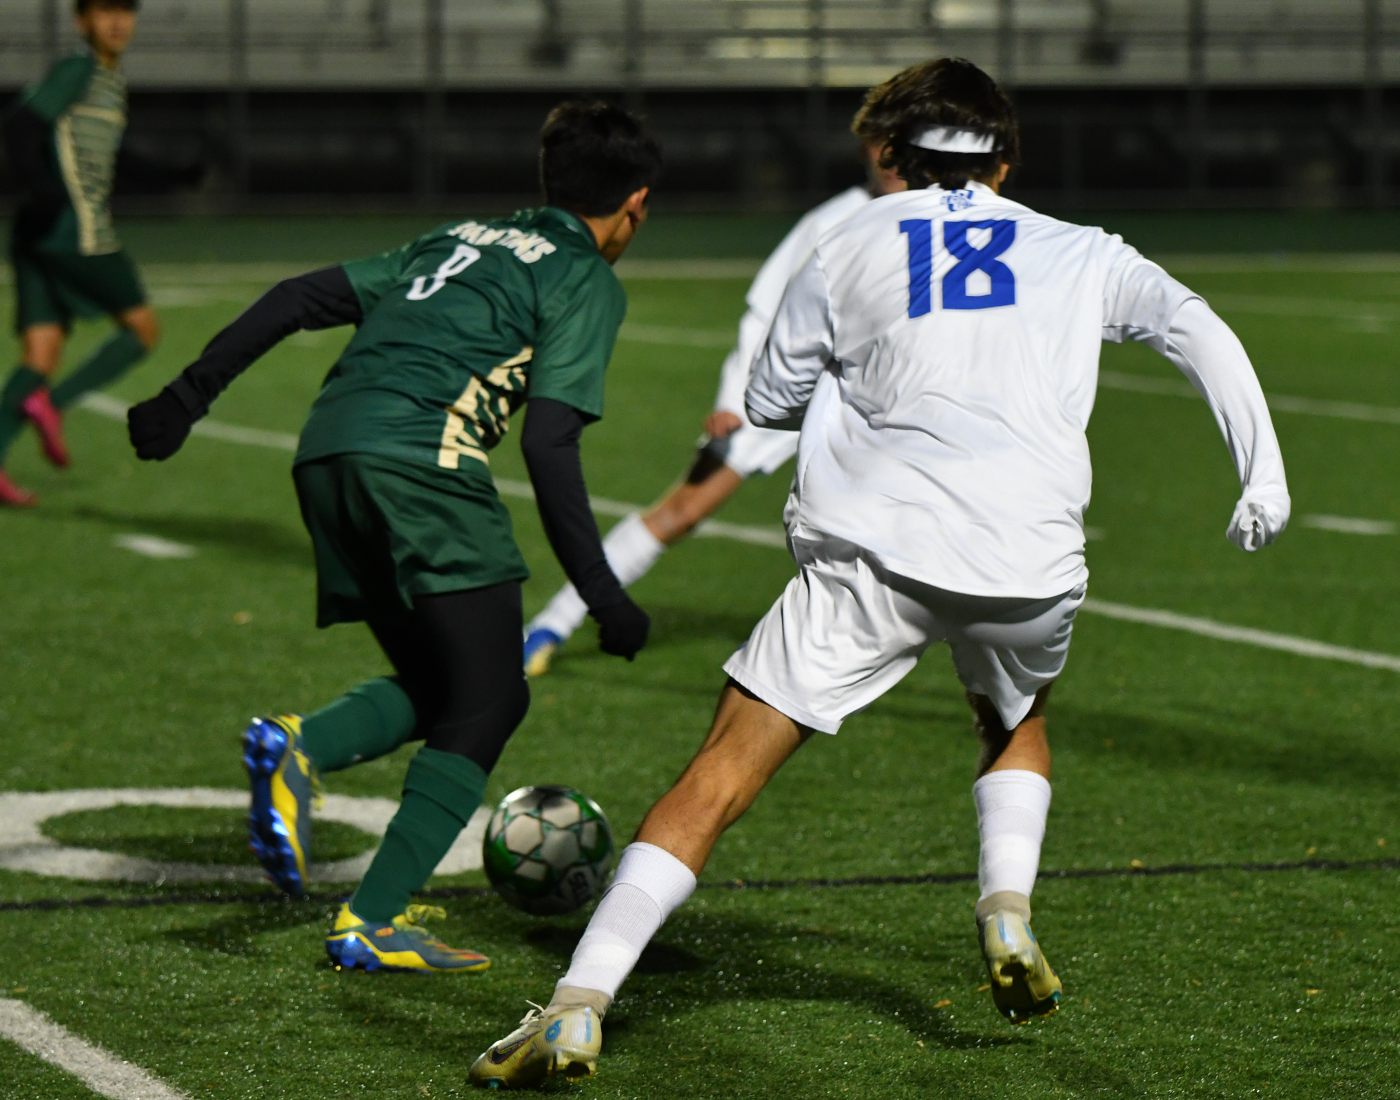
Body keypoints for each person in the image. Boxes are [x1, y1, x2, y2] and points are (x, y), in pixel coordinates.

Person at [469, 57, 1291, 1086]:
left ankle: (581, 998)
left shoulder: (845, 236)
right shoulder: (1082, 249)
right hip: (1027, 560)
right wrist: (1261, 476)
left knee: (718, 772)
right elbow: (1193, 326)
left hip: (872, 556)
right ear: (1004, 163)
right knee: (1011, 721)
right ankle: (1003, 911)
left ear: (893, 162)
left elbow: (768, 400)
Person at [126, 101, 659, 974]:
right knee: (492, 701)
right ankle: (369, 920)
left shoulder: (461, 236)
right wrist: (605, 598)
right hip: (423, 469)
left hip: (327, 451)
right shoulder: (584, 279)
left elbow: (298, 297)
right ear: (634, 205)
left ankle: (304, 747)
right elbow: (549, 442)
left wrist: (187, 398)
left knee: (441, 680)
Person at [519, 121, 906, 676]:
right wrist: (734, 399)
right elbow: (766, 308)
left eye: (899, 143)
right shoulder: (832, 219)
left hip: (891, 397)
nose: (886, 157)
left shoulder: (948, 219)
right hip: (798, 387)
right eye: (877, 144)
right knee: (684, 508)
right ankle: (552, 623)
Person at [0, 0, 171, 507]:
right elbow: (19, 126)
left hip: (36, 234)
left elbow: (108, 153)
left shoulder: (108, 78)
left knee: (41, 353)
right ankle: (50, 404)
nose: (117, 21)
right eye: (104, 11)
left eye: (125, 11)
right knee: (142, 331)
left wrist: (173, 175)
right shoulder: (79, 68)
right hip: (75, 232)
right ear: (82, 21)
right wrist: (43, 190)